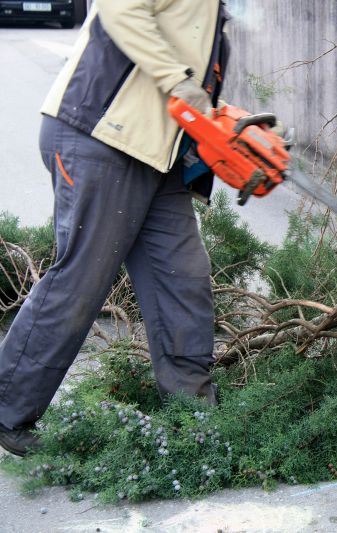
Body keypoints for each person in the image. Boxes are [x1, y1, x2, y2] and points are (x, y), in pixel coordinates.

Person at [0, 0, 230, 457]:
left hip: (157, 156)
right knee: (82, 279)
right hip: (99, 136)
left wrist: (230, 121)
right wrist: (179, 81)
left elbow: (192, 78)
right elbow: (120, 8)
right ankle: (8, 408)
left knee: (182, 279)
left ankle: (194, 418)